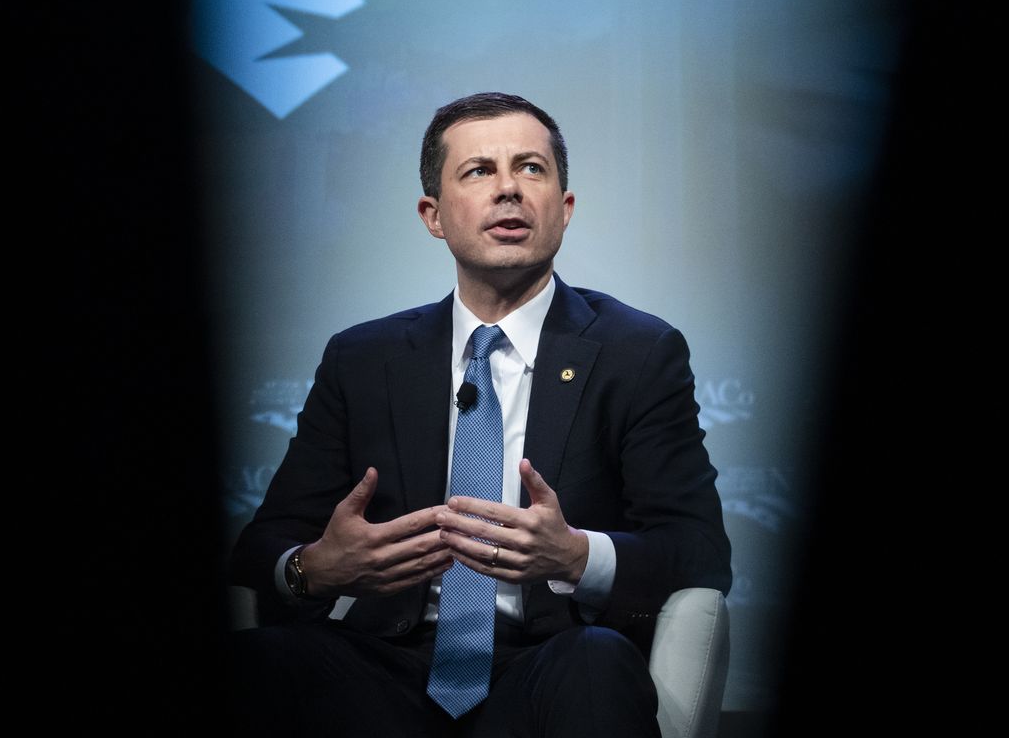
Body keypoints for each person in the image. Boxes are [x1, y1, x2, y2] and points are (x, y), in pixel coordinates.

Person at [230, 92, 731, 738]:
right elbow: (260, 550)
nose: (508, 190)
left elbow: (698, 551)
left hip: (551, 663)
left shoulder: (639, 354)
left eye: (530, 169)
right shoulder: (363, 359)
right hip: (385, 665)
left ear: (565, 208)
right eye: (478, 172)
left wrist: (576, 555)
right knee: (259, 663)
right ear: (433, 216)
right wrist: (314, 570)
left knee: (599, 664)